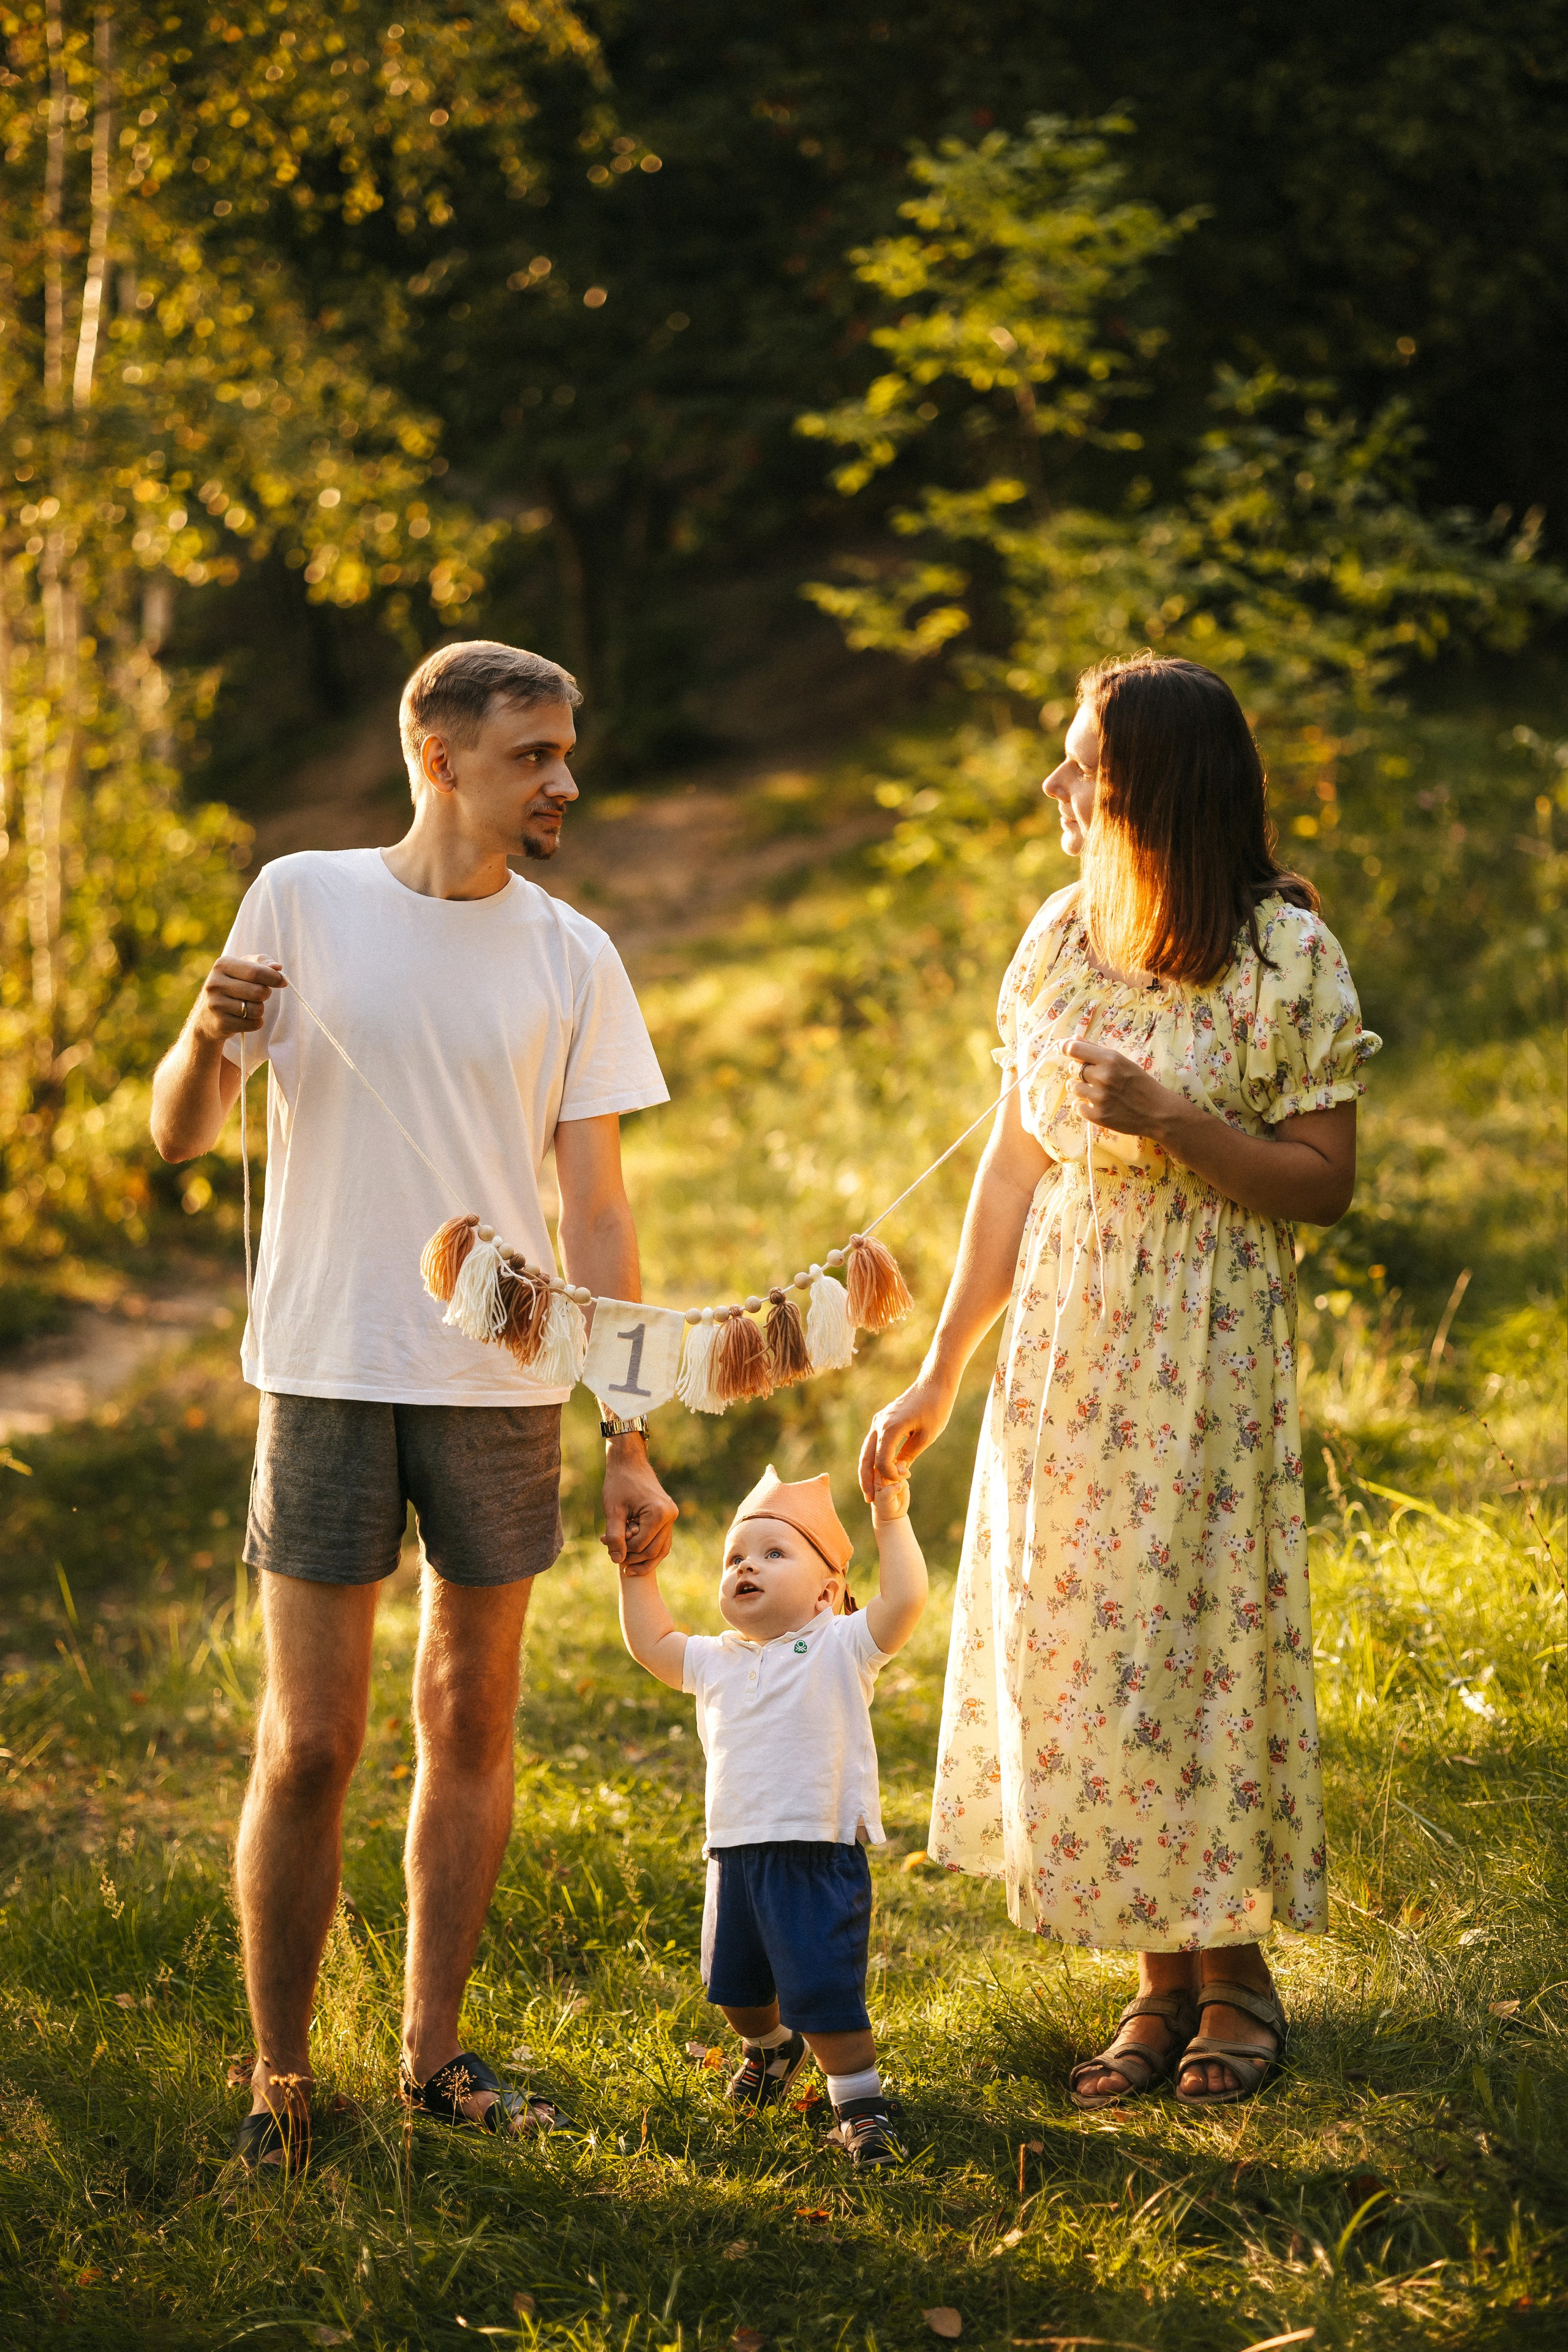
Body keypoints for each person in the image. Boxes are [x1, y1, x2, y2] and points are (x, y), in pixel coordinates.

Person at [151, 639, 679, 2173]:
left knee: (470, 1719)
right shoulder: (300, 900)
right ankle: (279, 2083)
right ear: (437, 757)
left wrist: (626, 1431)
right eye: (534, 754)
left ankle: (431, 2059)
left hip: (497, 1385)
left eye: (567, 749)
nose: (565, 779)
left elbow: (599, 1216)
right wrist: (197, 1034)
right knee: (309, 1742)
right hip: (322, 1369)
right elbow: (184, 1137)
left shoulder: (572, 953)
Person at [861, 653, 1380, 2109]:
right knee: (1081, 1651)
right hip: (1063, 1346)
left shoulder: (1283, 953)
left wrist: (1172, 1116)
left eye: (1079, 761)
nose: (1055, 786)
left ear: (1155, 783)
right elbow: (1010, 1172)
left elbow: (1320, 1183)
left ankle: (1237, 1979)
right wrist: (938, 1370)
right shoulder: (1055, 939)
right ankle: (1151, 1987)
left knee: (1195, 1644)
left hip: (1199, 1345)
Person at [616, 1464, 927, 2166]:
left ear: (826, 1591)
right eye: (735, 1558)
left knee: (822, 1991)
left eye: (772, 1553)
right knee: (737, 1992)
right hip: (735, 1856)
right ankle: (770, 2048)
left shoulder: (841, 1646)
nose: (746, 1566)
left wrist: (889, 1516)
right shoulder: (715, 1661)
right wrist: (637, 1573)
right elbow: (650, 1643)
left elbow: (904, 1599)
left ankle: (858, 2102)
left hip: (814, 1853)